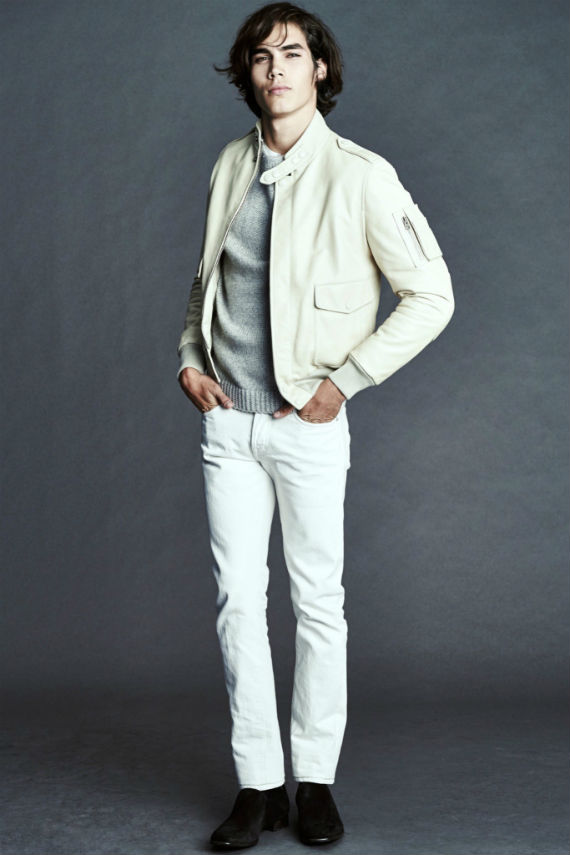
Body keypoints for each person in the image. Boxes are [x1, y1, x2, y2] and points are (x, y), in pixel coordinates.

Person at [176, 2, 454, 848]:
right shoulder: (231, 163)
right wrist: (188, 358)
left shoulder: (362, 175)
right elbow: (207, 281)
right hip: (229, 424)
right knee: (237, 604)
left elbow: (432, 295)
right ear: (248, 73)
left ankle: (316, 781)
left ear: (320, 69)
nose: (276, 69)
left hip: (308, 425)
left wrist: (347, 380)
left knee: (318, 603)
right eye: (262, 56)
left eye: (293, 53)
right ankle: (258, 784)